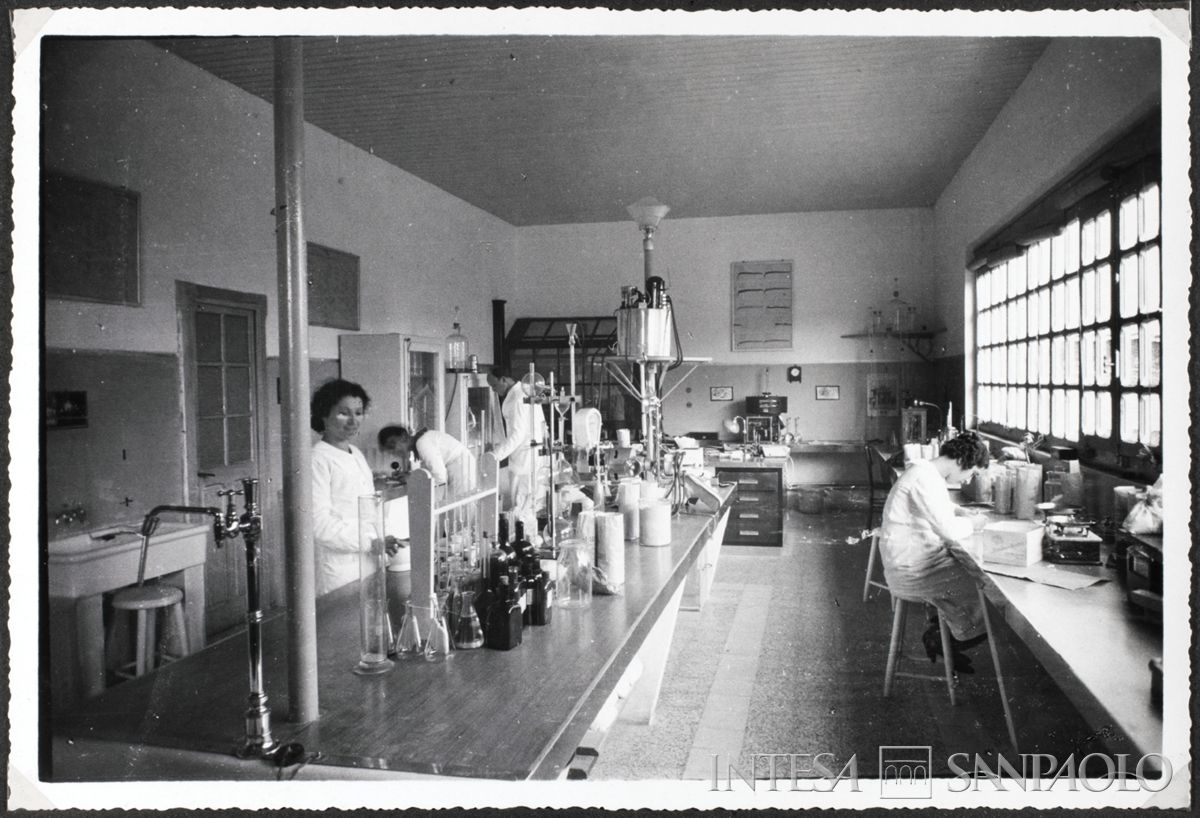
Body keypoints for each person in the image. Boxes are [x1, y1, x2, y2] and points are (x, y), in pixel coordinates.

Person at [877, 431, 992, 673]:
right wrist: (975, 523)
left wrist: (959, 511)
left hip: (912, 561)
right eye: (971, 473)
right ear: (962, 462)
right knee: (989, 594)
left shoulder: (925, 472)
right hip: (911, 571)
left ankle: (946, 636)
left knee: (973, 583)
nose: (968, 480)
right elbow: (949, 531)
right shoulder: (924, 479)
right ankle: (944, 641)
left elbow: (935, 504)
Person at [310, 378, 400, 596]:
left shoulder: (355, 453)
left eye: (358, 413)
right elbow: (318, 524)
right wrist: (370, 542)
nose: (353, 421)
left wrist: (383, 537)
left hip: (371, 563)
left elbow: (368, 507)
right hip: (341, 570)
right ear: (324, 415)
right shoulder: (317, 459)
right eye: (343, 413)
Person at [486, 366, 548, 510]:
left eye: (494, 385)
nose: (494, 390)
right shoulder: (524, 392)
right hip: (531, 455)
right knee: (529, 503)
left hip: (525, 458)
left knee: (522, 505)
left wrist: (494, 456)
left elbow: (517, 435)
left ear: (504, 379)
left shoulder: (518, 398)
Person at [378, 424, 476, 496]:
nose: (393, 451)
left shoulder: (422, 443)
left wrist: (413, 481)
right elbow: (433, 470)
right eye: (389, 449)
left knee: (459, 512)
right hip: (460, 467)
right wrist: (411, 476)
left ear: (404, 436)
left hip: (461, 470)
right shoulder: (421, 442)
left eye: (392, 445)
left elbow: (440, 478)